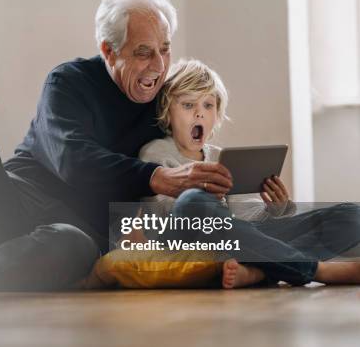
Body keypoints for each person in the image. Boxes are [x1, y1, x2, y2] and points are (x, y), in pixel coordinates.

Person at [0, 0, 235, 296]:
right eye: (143, 52)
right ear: (109, 51)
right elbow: (72, 158)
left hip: (73, 237)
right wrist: (154, 177)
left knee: (73, 245)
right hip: (12, 205)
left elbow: (193, 143)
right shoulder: (69, 81)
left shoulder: (162, 100)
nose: (158, 65)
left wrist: (246, 188)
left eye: (165, 49)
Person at [138, 59, 360, 288]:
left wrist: (276, 210)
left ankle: (260, 272)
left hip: (238, 242)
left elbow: (248, 222)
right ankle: (318, 270)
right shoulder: (156, 152)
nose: (199, 114)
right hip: (189, 239)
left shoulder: (221, 157)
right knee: (195, 202)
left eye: (208, 105)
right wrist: (206, 200)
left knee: (352, 216)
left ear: (217, 114)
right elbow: (162, 217)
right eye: (188, 105)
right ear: (167, 112)